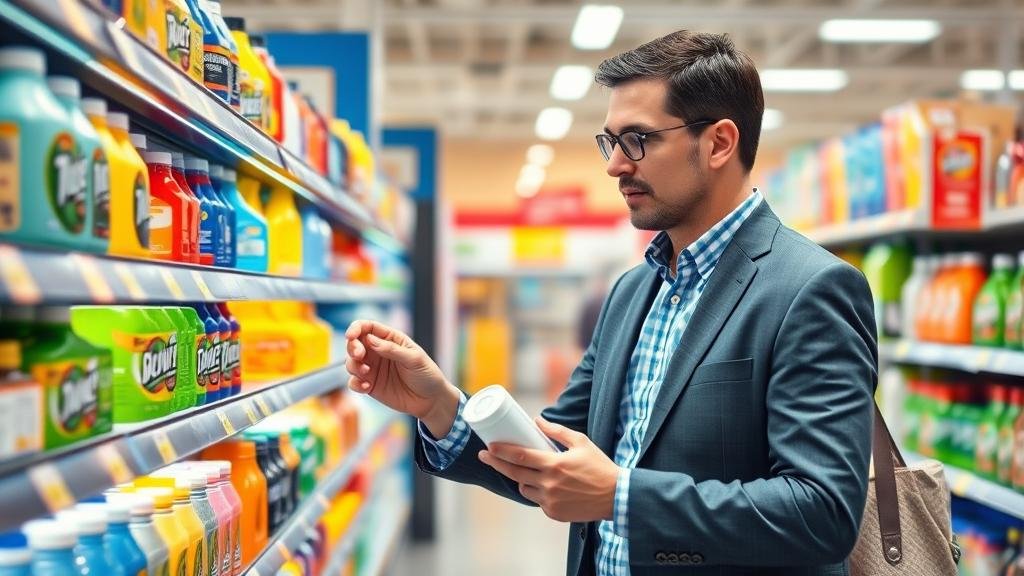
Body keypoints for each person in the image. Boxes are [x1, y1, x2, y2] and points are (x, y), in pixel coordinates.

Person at [345, 30, 876, 576]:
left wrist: (621, 496)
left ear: (718, 143)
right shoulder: (632, 292)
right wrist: (440, 405)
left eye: (638, 140)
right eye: (611, 142)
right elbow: (553, 460)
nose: (615, 165)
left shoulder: (811, 289)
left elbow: (823, 513)